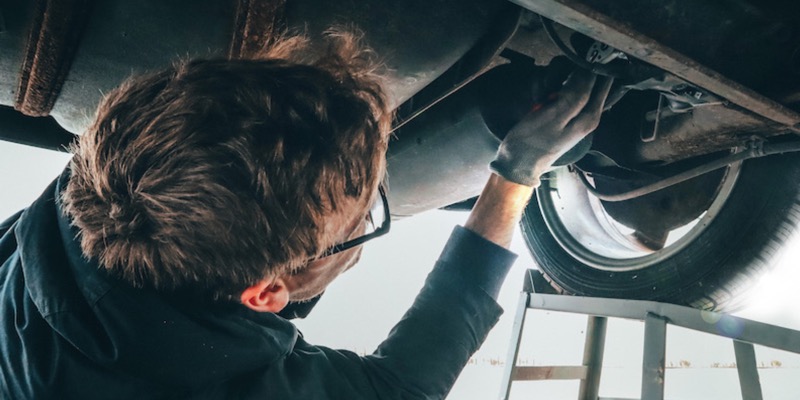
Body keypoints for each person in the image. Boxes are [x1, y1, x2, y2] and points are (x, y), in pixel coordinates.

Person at [0, 32, 611, 399]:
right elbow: (402, 387)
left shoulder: (112, 170)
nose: (367, 216)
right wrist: (513, 176)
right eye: (364, 217)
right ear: (265, 293)